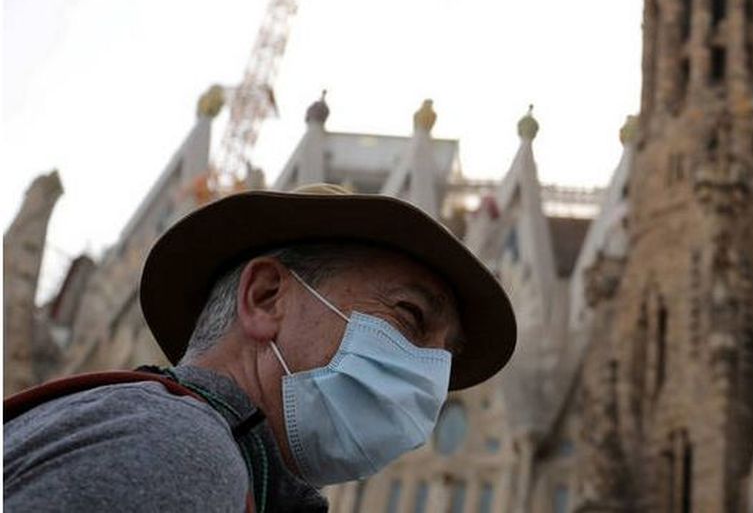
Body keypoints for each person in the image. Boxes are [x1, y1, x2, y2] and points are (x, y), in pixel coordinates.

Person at [3, 183, 517, 512]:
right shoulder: (180, 455)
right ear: (266, 297)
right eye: (409, 316)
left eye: (442, 355)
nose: (430, 374)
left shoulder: (191, 450)